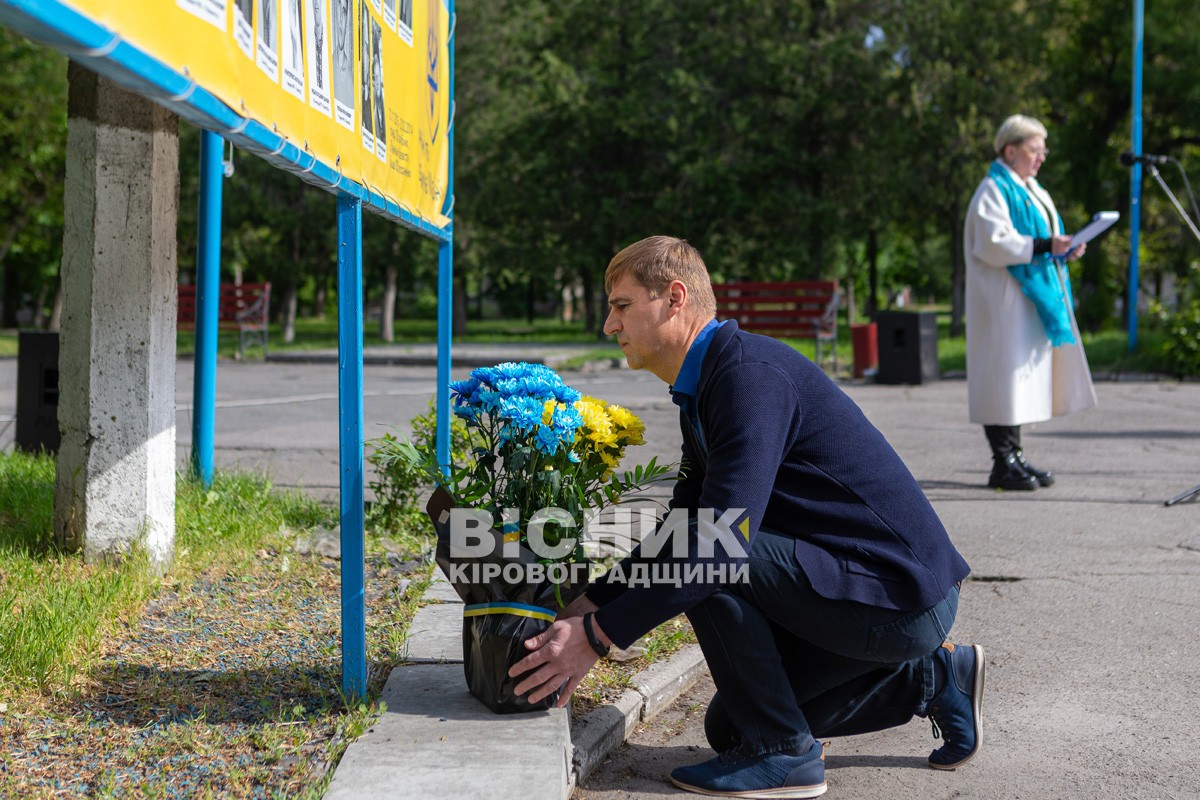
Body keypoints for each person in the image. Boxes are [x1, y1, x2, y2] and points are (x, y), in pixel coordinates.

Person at [511, 236, 984, 799]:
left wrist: (596, 636)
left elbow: (712, 549)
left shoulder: (747, 378)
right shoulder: (707, 383)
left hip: (899, 597)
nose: (609, 326)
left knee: (708, 555)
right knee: (732, 727)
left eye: (620, 306)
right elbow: (678, 523)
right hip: (863, 590)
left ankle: (785, 756)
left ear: (674, 298)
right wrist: (594, 600)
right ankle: (931, 679)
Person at [963, 114, 1097, 491]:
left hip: (1026, 302)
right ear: (1011, 150)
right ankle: (1001, 462)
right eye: (1035, 150)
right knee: (1002, 379)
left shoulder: (1032, 188)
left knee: (1019, 380)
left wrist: (1065, 250)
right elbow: (993, 242)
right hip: (1002, 302)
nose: (1041, 158)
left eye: (1044, 150)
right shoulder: (993, 188)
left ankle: (1016, 456)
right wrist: (1045, 246)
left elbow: (1047, 236)